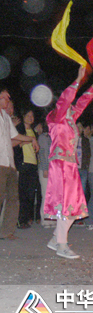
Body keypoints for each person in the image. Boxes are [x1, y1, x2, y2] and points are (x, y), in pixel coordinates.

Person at [44, 66, 93, 259]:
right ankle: (61, 244)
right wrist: (78, 80)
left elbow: (82, 103)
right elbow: (66, 100)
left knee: (75, 205)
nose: (73, 107)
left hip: (70, 166)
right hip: (60, 164)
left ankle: (56, 238)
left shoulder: (70, 119)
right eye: (68, 104)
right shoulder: (57, 117)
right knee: (66, 204)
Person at [0, 87, 39, 240]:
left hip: (10, 164)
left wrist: (32, 139)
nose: (8, 101)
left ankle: (7, 231)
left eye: (9, 100)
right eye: (5, 98)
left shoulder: (6, 118)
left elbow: (15, 136)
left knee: (13, 198)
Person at [14, 108, 42, 229]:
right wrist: (24, 142)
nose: (30, 118)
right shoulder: (19, 129)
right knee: (22, 193)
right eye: (28, 115)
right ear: (23, 116)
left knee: (31, 193)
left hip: (33, 164)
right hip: (23, 163)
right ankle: (20, 220)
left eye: (32, 116)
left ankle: (27, 217)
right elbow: (15, 144)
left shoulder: (33, 131)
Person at [37, 122, 55, 228]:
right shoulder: (43, 137)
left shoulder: (54, 137)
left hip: (54, 170)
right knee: (46, 194)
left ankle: (52, 218)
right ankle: (45, 219)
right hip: (46, 169)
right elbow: (42, 153)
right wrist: (45, 169)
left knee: (52, 195)